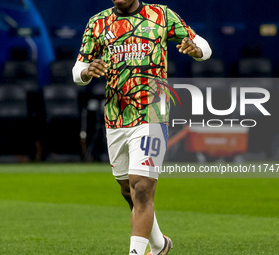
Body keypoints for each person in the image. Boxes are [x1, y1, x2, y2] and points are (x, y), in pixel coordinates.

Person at [73, 1, 212, 254]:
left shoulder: (161, 15)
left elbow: (204, 45)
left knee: (142, 186)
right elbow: (78, 68)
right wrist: (86, 72)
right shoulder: (98, 22)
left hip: (152, 113)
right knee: (128, 190)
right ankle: (159, 244)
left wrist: (197, 50)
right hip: (116, 116)